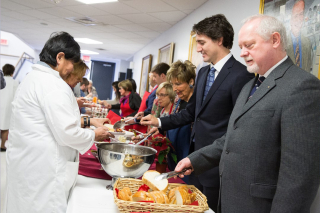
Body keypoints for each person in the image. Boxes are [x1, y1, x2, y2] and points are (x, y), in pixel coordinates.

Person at [175, 14, 320, 213]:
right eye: (241, 47)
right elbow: (233, 138)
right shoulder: (250, 86)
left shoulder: (301, 86)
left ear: (275, 40)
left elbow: (300, 176)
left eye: (249, 45)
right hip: (230, 200)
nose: (242, 53)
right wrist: (196, 159)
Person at [140, 14, 254, 211]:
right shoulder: (202, 72)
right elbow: (192, 113)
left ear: (219, 40)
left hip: (217, 166)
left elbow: (238, 128)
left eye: (202, 42)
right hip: (194, 161)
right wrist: (159, 121)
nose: (198, 48)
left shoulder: (241, 75)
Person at [5, 32, 113, 213]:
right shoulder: (53, 85)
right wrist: (94, 134)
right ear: (60, 57)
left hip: (29, 162)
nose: (72, 68)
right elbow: (67, 132)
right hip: (43, 168)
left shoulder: (34, 78)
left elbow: (51, 121)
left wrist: (86, 119)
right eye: (72, 62)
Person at [287, 0, 312, 72]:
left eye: (301, 14)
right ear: (290, 18)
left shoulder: (307, 42)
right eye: (295, 15)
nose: (299, 19)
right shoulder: (282, 43)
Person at [0, 64, 19, 151]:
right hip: (8, 107)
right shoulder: (14, 82)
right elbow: (17, 96)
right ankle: (2, 145)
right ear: (12, 72)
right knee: (5, 127)